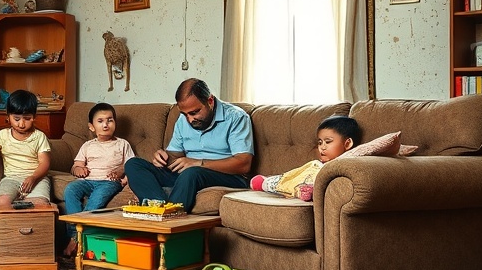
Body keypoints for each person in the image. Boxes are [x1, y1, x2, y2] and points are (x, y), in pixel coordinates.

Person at [124, 78, 254, 213]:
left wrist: (198, 163)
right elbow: (176, 157)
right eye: (185, 114)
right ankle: (158, 209)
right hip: (189, 174)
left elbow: (243, 164)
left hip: (226, 176)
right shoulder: (183, 120)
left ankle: (170, 217)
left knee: (191, 173)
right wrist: (163, 157)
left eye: (194, 112)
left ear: (210, 101)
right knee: (133, 164)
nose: (190, 119)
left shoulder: (236, 117)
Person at [62, 103, 135, 256]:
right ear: (91, 127)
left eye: (110, 120)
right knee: (70, 189)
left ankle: (76, 239)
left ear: (115, 122)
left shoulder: (122, 144)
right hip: (88, 180)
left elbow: (132, 165)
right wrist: (79, 169)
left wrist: (125, 178)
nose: (106, 125)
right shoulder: (87, 145)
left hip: (109, 182)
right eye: (100, 121)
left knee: (97, 199)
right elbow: (76, 166)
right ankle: (75, 234)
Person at [251, 115, 360, 201]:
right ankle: (267, 182)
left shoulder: (348, 163)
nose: (322, 147)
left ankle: (306, 190)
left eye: (328, 142)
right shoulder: (317, 164)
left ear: (347, 144)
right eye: (320, 142)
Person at [0, 89, 51, 206]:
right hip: (11, 179)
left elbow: (45, 163)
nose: (21, 124)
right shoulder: (3, 135)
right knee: (3, 202)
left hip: (37, 179)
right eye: (16, 119)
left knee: (39, 205)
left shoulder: (39, 137)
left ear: (34, 117)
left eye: (27, 119)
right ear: (8, 116)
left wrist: (33, 178)